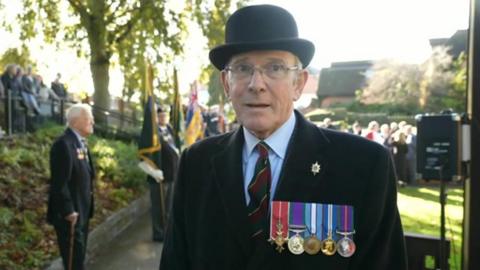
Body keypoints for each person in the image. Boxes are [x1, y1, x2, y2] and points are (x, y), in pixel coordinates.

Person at [160, 4, 406, 270]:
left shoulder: (363, 164)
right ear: (226, 84)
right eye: (242, 68)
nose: (256, 84)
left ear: (299, 83)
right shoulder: (196, 163)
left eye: (274, 68)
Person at [47, 103, 95, 270]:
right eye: (89, 118)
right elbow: (59, 183)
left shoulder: (80, 142)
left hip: (82, 210)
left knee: (78, 259)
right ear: (75, 121)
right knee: (73, 261)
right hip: (70, 215)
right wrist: (68, 210)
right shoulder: (64, 144)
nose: (92, 122)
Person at [147, 106, 180, 242]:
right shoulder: (152, 133)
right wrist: (153, 172)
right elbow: (145, 156)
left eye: (166, 115)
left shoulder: (170, 129)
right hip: (158, 176)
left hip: (171, 174)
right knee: (158, 207)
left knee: (168, 206)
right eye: (161, 116)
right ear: (157, 117)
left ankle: (167, 231)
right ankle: (158, 233)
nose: (164, 118)